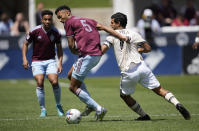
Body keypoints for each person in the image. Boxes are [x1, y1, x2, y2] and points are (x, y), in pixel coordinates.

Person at [101, 12, 191, 120]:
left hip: (129, 71)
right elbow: (148, 48)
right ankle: (177, 104)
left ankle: (144, 116)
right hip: (142, 67)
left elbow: (102, 50)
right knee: (160, 90)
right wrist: (140, 49)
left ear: (118, 23)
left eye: (112, 23)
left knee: (124, 96)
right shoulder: (134, 33)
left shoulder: (111, 36)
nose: (111, 25)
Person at [55, 5, 128, 121]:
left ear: (68, 13)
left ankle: (98, 108)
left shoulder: (68, 23)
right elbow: (104, 27)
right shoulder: (87, 20)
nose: (60, 20)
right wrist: (120, 36)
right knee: (70, 75)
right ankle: (90, 105)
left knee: (72, 87)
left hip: (87, 56)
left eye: (60, 16)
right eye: (58, 18)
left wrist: (74, 51)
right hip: (96, 55)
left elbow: (70, 44)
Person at [22, 10, 64, 117]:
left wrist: (59, 63)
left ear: (52, 20)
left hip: (50, 61)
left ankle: (59, 106)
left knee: (54, 82)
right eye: (45, 19)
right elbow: (25, 44)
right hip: (37, 61)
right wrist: (24, 59)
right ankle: (43, 109)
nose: (47, 21)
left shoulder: (56, 32)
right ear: (42, 20)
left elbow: (59, 49)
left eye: (49, 19)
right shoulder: (34, 31)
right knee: (40, 82)